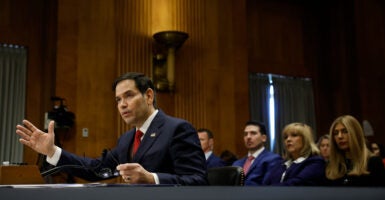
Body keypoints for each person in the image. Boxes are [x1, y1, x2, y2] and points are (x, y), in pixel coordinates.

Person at [16, 72, 208, 185]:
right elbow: (97, 170)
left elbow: (198, 180)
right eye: (118, 100)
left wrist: (152, 178)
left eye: (129, 96)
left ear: (149, 96)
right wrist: (53, 151)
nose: (122, 104)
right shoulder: (126, 139)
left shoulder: (177, 129)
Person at [326, 115, 385, 186]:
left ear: (356, 134)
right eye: (336, 133)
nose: (340, 136)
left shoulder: (373, 162)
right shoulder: (332, 165)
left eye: (345, 131)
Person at [232, 121, 282, 185]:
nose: (248, 137)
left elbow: (268, 187)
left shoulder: (273, 159)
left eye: (253, 133)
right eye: (245, 134)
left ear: (263, 138)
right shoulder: (236, 163)